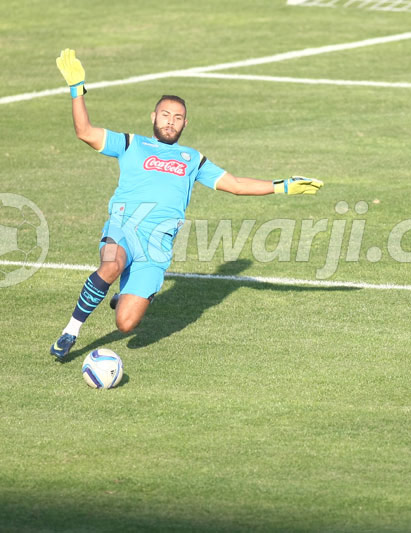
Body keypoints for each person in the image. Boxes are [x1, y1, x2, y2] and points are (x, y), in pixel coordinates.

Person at [50, 49, 324, 360]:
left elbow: (234, 185)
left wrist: (282, 186)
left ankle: (125, 293)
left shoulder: (192, 159)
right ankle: (71, 330)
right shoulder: (130, 143)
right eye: (165, 115)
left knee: (126, 325)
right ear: (153, 117)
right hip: (123, 226)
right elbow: (84, 132)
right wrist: (77, 89)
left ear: (185, 124)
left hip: (157, 247)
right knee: (111, 264)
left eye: (177, 118)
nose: (171, 122)